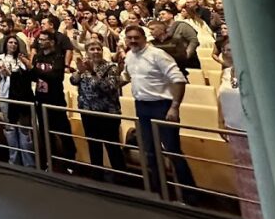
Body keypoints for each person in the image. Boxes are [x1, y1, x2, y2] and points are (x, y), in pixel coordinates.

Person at [121, 23, 197, 200]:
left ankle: (189, 194)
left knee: (172, 150)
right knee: (149, 151)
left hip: (162, 105)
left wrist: (175, 106)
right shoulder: (129, 56)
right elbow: (127, 76)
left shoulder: (157, 54)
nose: (133, 41)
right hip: (142, 106)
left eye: (136, 38)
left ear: (144, 38)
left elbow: (178, 79)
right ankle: (159, 191)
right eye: (129, 38)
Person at [216, 40, 262, 219]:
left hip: (253, 131)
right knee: (243, 175)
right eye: (225, 50)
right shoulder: (226, 73)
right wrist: (220, 122)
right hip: (233, 129)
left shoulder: (252, 73)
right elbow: (220, 98)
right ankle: (249, 216)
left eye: (231, 49)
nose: (227, 53)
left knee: (259, 174)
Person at [70, 39, 126, 180]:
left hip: (107, 113)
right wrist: (79, 72)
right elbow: (73, 81)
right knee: (93, 146)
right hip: (88, 112)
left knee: (112, 147)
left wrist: (92, 72)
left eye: (98, 49)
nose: (95, 52)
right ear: (87, 52)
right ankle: (97, 176)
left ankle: (121, 178)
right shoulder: (84, 66)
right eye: (92, 49)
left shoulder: (110, 67)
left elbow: (109, 87)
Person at [32, 29, 77, 170]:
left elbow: (56, 77)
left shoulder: (58, 57)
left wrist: (33, 70)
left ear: (51, 42)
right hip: (40, 97)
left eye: (43, 39)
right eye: (39, 39)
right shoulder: (38, 56)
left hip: (55, 99)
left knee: (63, 131)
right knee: (44, 132)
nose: (40, 42)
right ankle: (48, 161)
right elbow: (34, 77)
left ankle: (70, 161)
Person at [0, 35, 36, 167]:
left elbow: (30, 75)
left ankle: (28, 163)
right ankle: (14, 161)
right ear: (5, 44)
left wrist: (25, 62)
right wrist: (0, 72)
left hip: (22, 97)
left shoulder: (22, 59)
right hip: (5, 95)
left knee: (24, 129)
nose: (13, 45)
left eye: (15, 43)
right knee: (10, 128)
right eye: (10, 42)